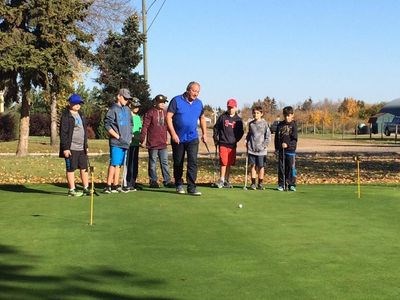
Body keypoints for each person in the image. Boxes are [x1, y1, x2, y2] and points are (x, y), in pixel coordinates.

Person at [166, 81, 207, 195]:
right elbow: (168, 117)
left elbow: (202, 118)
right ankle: (179, 184)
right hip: (178, 138)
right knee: (178, 162)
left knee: (193, 162)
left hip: (193, 137)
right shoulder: (176, 100)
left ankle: (191, 186)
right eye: (194, 91)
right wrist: (173, 134)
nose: (196, 94)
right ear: (188, 90)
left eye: (198, 92)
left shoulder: (199, 103)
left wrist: (204, 133)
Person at [140, 94, 174, 188]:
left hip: (163, 142)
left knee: (165, 162)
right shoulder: (150, 113)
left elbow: (168, 126)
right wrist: (142, 139)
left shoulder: (166, 113)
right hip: (153, 143)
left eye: (163, 102)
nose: (162, 104)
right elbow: (145, 126)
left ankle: (167, 180)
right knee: (153, 163)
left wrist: (171, 137)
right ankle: (153, 180)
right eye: (160, 102)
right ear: (155, 102)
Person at [103, 88, 133, 193]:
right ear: (119, 96)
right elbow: (107, 124)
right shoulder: (113, 109)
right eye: (125, 98)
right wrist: (116, 135)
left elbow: (131, 124)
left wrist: (130, 136)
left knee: (119, 164)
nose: (126, 100)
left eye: (128, 99)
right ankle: (108, 185)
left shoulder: (128, 110)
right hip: (116, 142)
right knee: (114, 163)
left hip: (126, 142)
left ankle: (116, 185)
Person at [59, 94, 89, 197]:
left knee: (84, 168)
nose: (78, 105)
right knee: (71, 168)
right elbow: (63, 133)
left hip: (82, 147)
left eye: (79, 103)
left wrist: (86, 145)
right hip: (71, 147)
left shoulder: (81, 115)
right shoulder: (66, 116)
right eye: (75, 103)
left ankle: (86, 188)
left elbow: (84, 131)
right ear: (70, 103)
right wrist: (65, 148)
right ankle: (72, 189)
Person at [213, 98, 244, 188]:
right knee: (223, 162)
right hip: (223, 143)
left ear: (235, 107)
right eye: (229, 107)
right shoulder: (223, 117)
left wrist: (236, 140)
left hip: (232, 145)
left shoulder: (238, 120)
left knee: (229, 163)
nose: (230, 109)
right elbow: (216, 128)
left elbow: (241, 132)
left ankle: (227, 179)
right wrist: (216, 138)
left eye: (232, 107)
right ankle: (221, 179)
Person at [245, 105, 271, 190]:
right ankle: (253, 183)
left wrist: (263, 146)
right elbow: (249, 134)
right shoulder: (251, 124)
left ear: (261, 114)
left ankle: (260, 183)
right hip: (252, 149)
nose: (255, 115)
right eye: (254, 113)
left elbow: (268, 137)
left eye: (257, 113)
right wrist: (246, 140)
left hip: (261, 151)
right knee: (252, 166)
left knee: (261, 167)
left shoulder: (265, 124)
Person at [274, 106, 298, 191]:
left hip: (290, 151)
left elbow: (294, 139)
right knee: (281, 168)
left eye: (289, 115)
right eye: (286, 116)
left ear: (292, 115)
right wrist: (277, 148)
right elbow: (277, 138)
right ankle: (281, 184)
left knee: (291, 168)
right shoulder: (280, 125)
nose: (287, 117)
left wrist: (288, 145)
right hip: (281, 151)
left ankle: (291, 184)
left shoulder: (294, 126)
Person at [122, 97, 142, 191]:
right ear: (130, 106)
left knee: (134, 164)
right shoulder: (127, 116)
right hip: (128, 144)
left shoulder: (138, 117)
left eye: (138, 107)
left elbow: (140, 129)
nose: (136, 108)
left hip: (136, 144)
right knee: (128, 163)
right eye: (135, 107)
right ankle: (126, 183)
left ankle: (132, 182)